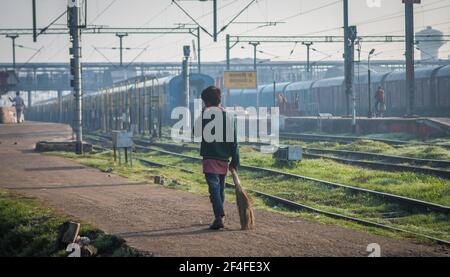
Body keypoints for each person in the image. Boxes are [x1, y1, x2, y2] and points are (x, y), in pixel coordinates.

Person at [198, 86, 240, 230]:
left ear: (207, 102)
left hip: (210, 158)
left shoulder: (205, 115)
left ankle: (219, 216)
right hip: (223, 159)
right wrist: (235, 160)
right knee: (220, 188)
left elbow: (195, 132)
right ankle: (219, 216)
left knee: (214, 189)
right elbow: (234, 141)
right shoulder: (228, 116)